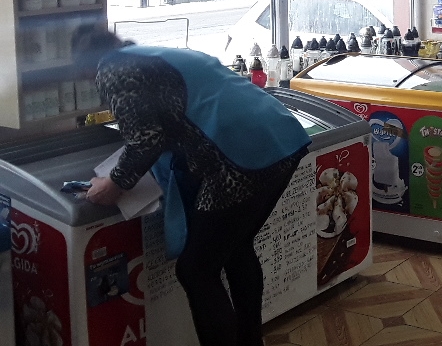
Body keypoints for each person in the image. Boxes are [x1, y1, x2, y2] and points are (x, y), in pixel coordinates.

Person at [73, 26, 310, 346]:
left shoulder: (112, 69)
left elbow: (145, 142)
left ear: (85, 64)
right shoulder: (150, 55)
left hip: (238, 156)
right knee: (237, 248)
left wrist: (113, 184)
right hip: (281, 139)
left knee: (196, 270)